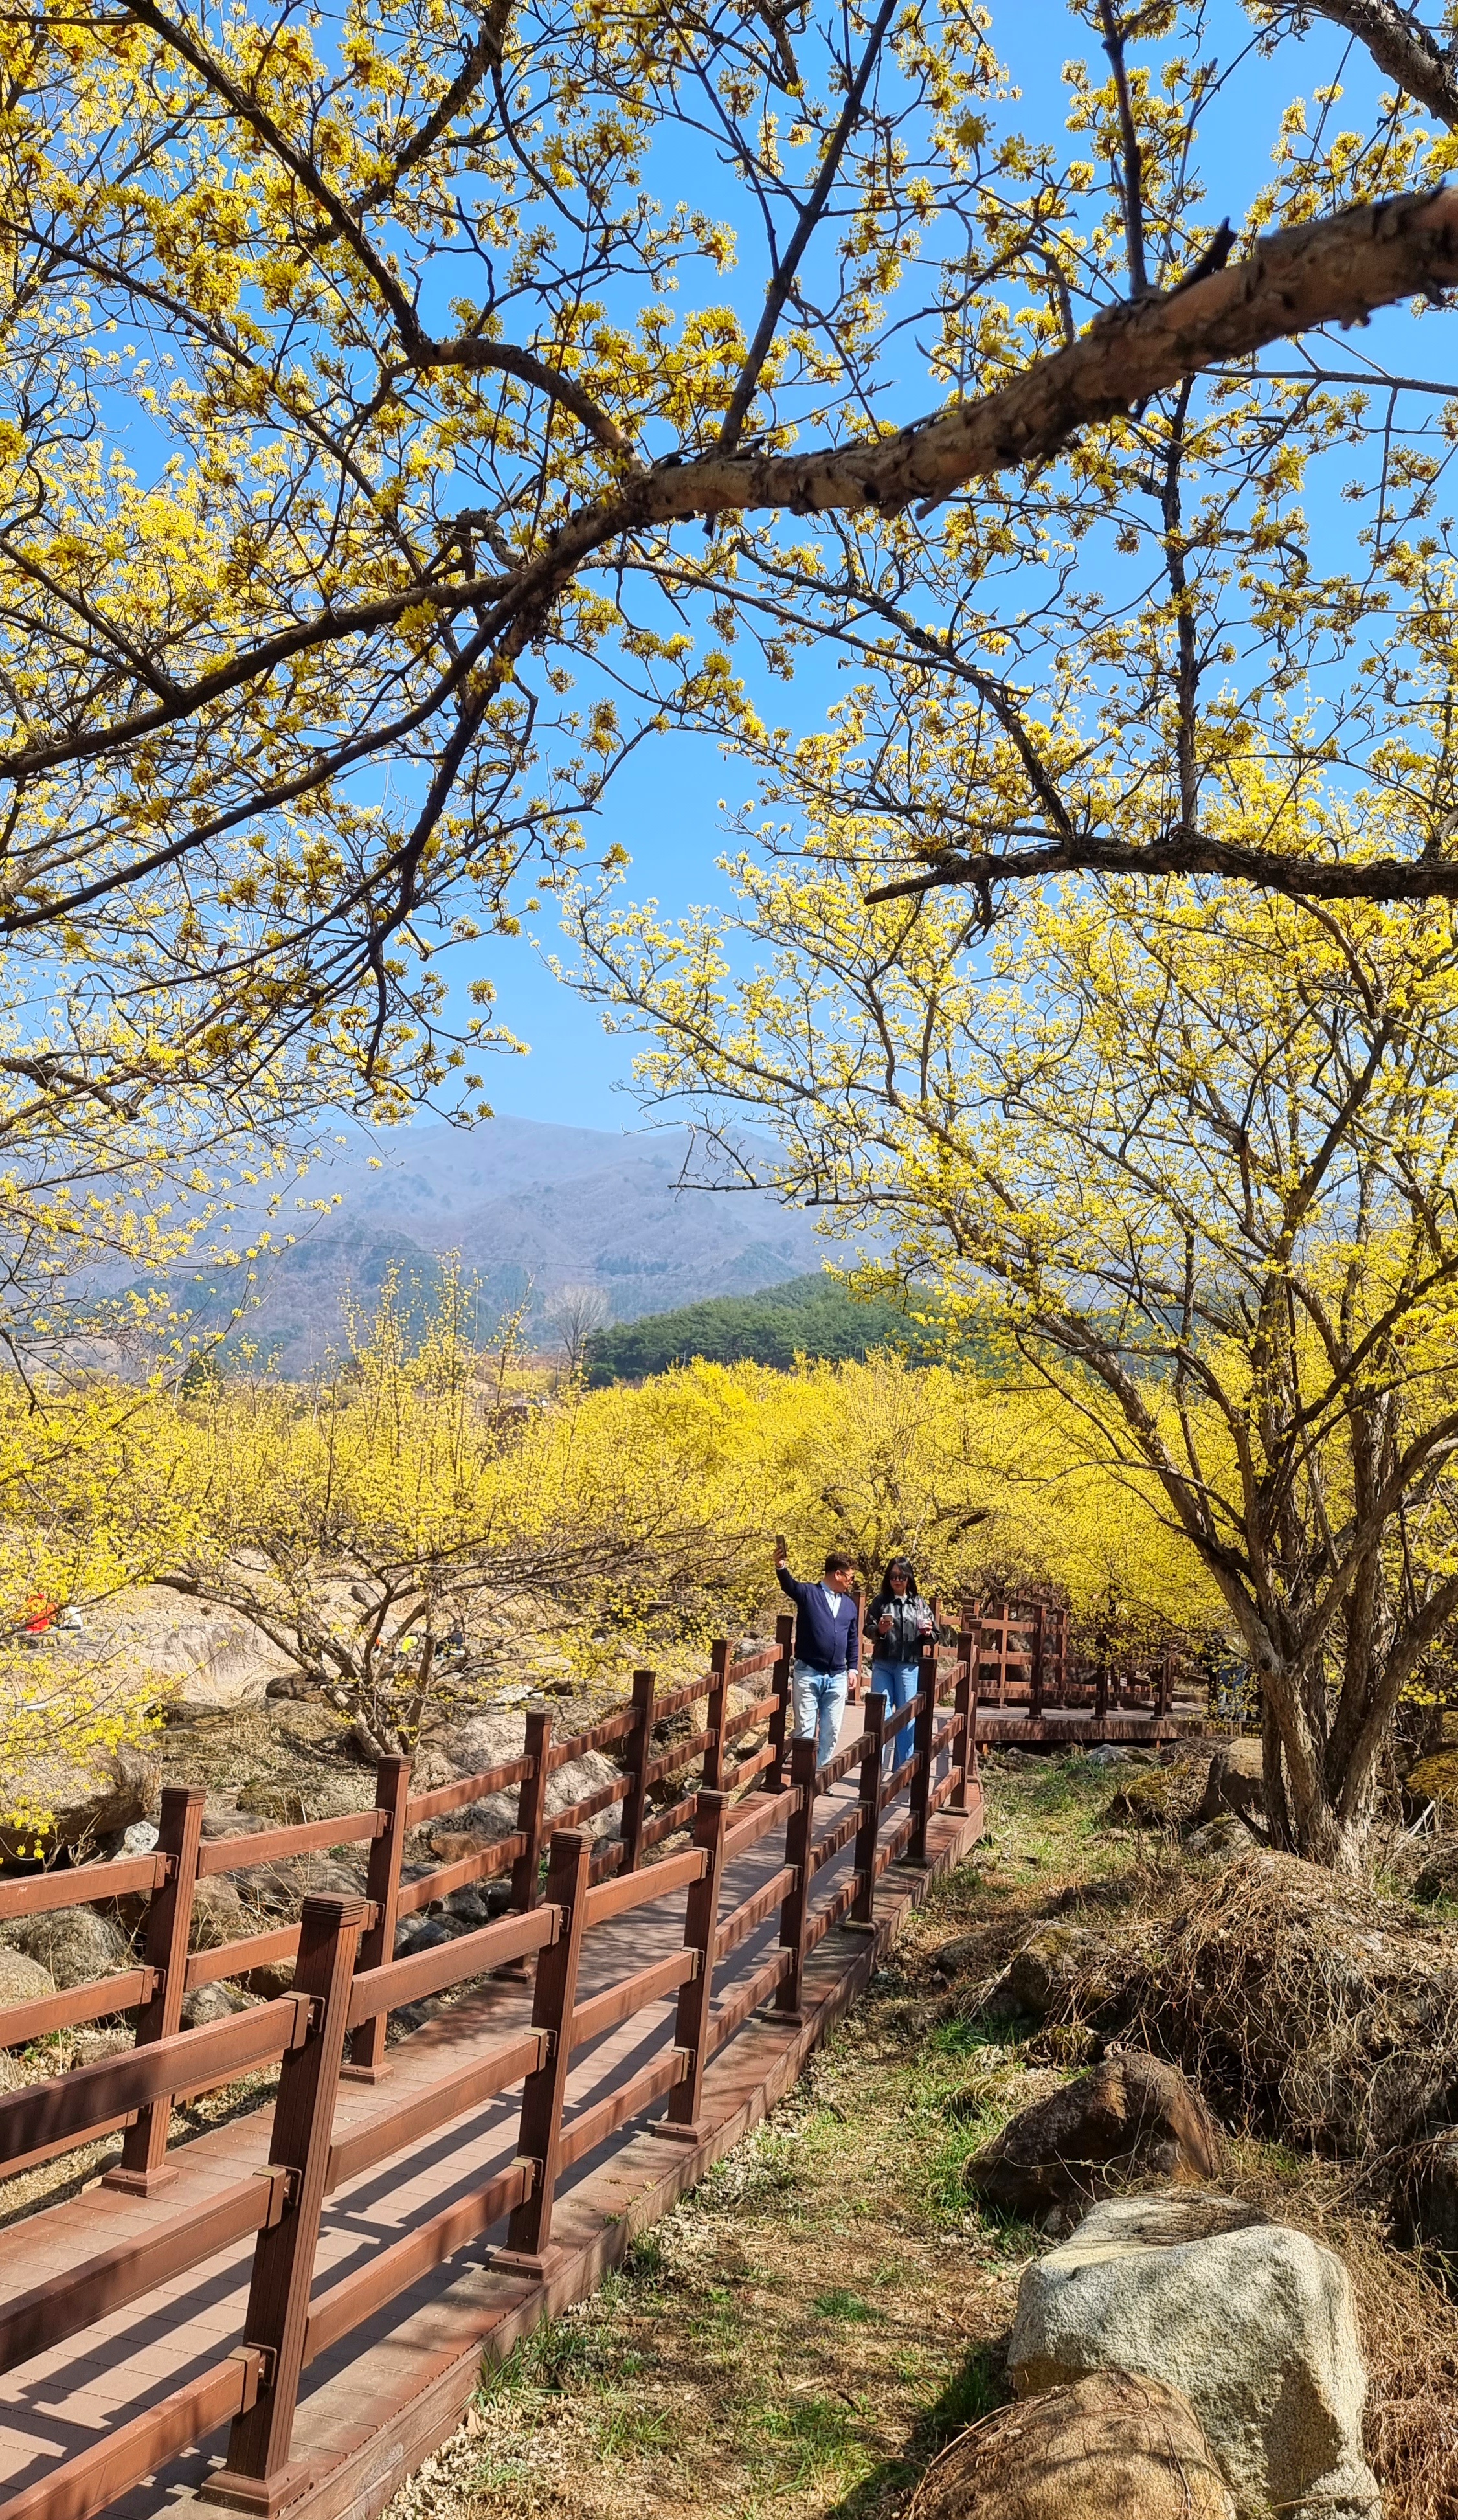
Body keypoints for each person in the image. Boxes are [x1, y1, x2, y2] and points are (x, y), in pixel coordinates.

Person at [774, 1538, 860, 1768]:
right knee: (805, 1730)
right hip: (808, 1672)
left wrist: (853, 1668)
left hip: (837, 1676)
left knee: (831, 1731)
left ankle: (818, 1775)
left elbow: (853, 1639)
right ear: (838, 1574)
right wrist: (781, 1566)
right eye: (850, 1577)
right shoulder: (809, 1593)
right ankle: (803, 1776)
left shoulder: (849, 1605)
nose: (851, 1582)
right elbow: (789, 1585)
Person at [865, 1557, 936, 1764]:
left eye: (901, 1576)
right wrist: (879, 1630)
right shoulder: (880, 1602)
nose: (897, 1580)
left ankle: (902, 1771)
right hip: (883, 1664)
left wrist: (928, 1633)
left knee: (907, 1718)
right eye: (893, 1576)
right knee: (881, 1715)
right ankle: (875, 1769)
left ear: (909, 1578)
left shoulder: (919, 1604)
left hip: (909, 1666)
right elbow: (867, 1629)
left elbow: (935, 1635)